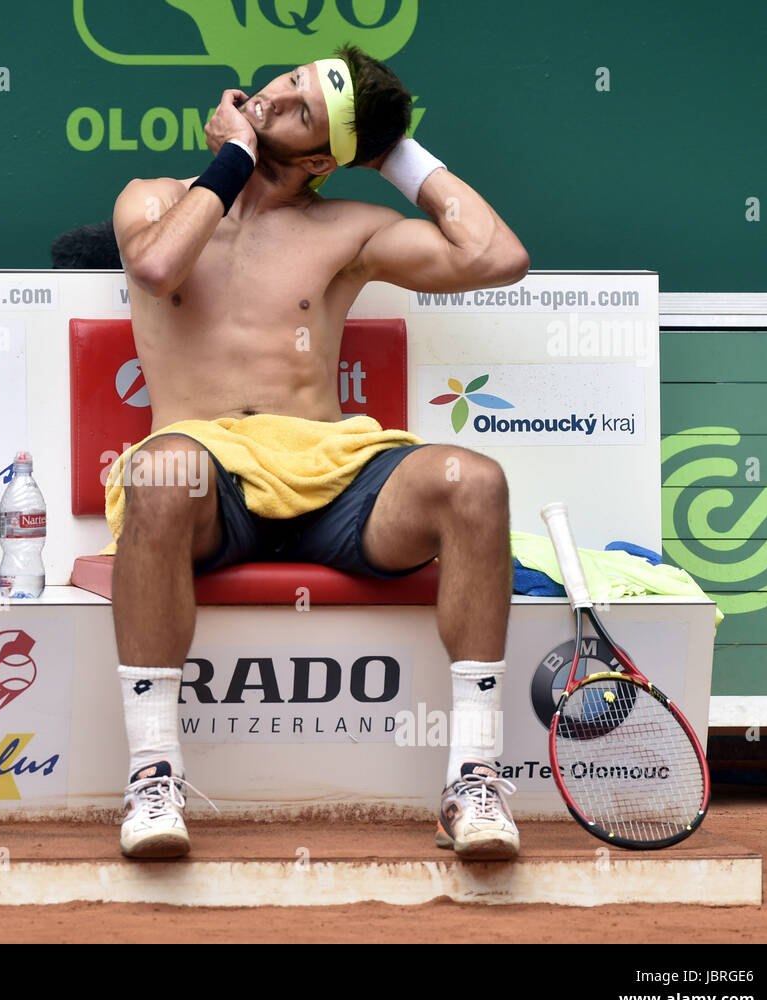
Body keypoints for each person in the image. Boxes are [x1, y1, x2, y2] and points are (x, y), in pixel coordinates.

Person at [108, 44, 529, 860]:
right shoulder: (154, 200)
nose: (274, 99)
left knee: (473, 482)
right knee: (158, 475)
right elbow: (158, 268)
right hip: (205, 472)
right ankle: (154, 776)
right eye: (286, 82)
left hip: (329, 475)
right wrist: (232, 159)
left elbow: (497, 258)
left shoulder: (349, 228)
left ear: (322, 160)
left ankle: (474, 778)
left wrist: (397, 156)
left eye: (301, 109)